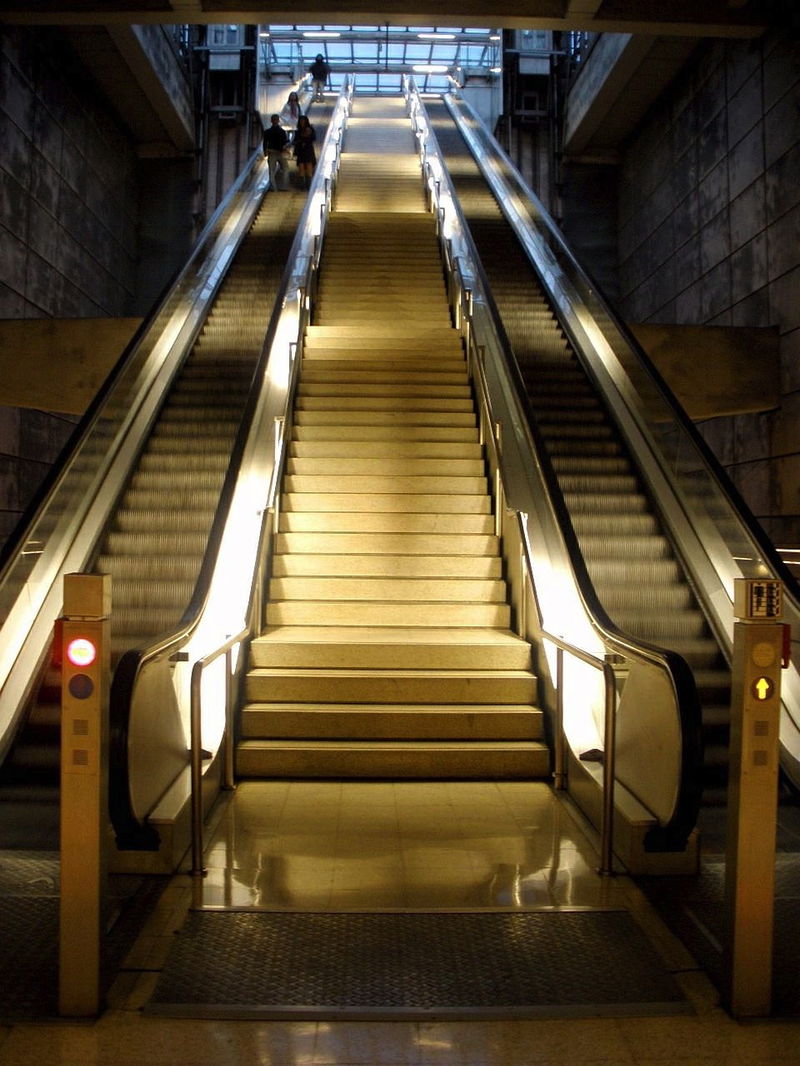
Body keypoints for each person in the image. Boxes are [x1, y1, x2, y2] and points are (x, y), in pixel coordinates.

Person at [262, 113, 288, 191]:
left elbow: (265, 142)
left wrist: (265, 152)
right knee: (285, 169)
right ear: (278, 121)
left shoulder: (267, 132)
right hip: (280, 152)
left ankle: (274, 188)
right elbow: (285, 142)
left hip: (271, 152)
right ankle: (284, 186)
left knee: (271, 171)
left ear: (271, 121)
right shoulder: (282, 131)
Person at [292, 114, 316, 189]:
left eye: (303, 121)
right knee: (301, 169)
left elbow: (312, 139)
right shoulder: (298, 132)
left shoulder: (310, 130)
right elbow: (294, 141)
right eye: (301, 121)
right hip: (301, 151)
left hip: (308, 151)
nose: (302, 123)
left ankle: (308, 186)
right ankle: (302, 186)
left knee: (309, 169)